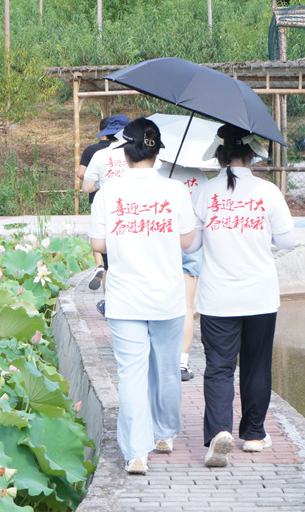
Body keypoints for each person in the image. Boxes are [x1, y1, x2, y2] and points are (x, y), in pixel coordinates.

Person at [88, 118, 196, 475]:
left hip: (125, 299)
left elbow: (99, 245)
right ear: (157, 152)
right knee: (166, 369)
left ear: (125, 153)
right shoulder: (175, 191)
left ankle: (137, 452)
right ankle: (164, 434)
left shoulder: (108, 193)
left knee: (131, 374)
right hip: (166, 297)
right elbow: (187, 242)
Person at [185, 123, 295, 468]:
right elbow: (287, 241)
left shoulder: (203, 193)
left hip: (218, 298)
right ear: (252, 154)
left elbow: (193, 244)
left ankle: (220, 431)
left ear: (219, 155)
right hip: (260, 296)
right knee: (256, 366)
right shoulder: (268, 191)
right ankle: (255, 435)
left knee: (218, 368)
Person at [158, 161, 209, 382]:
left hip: (162, 243)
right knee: (188, 305)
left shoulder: (158, 174)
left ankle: (160, 360)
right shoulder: (201, 178)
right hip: (190, 245)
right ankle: (182, 362)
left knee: (161, 302)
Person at [81, 114, 130, 315]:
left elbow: (86, 187)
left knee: (109, 263)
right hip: (132, 214)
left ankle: (110, 305)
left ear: (107, 135)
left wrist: (103, 184)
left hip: (107, 214)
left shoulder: (99, 156)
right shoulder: (135, 155)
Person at [77, 117, 114, 292]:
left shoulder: (92, 150)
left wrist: (98, 182)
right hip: (120, 202)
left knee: (98, 233)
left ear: (101, 132)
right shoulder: (129, 152)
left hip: (97, 199)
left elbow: (80, 173)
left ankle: (100, 265)